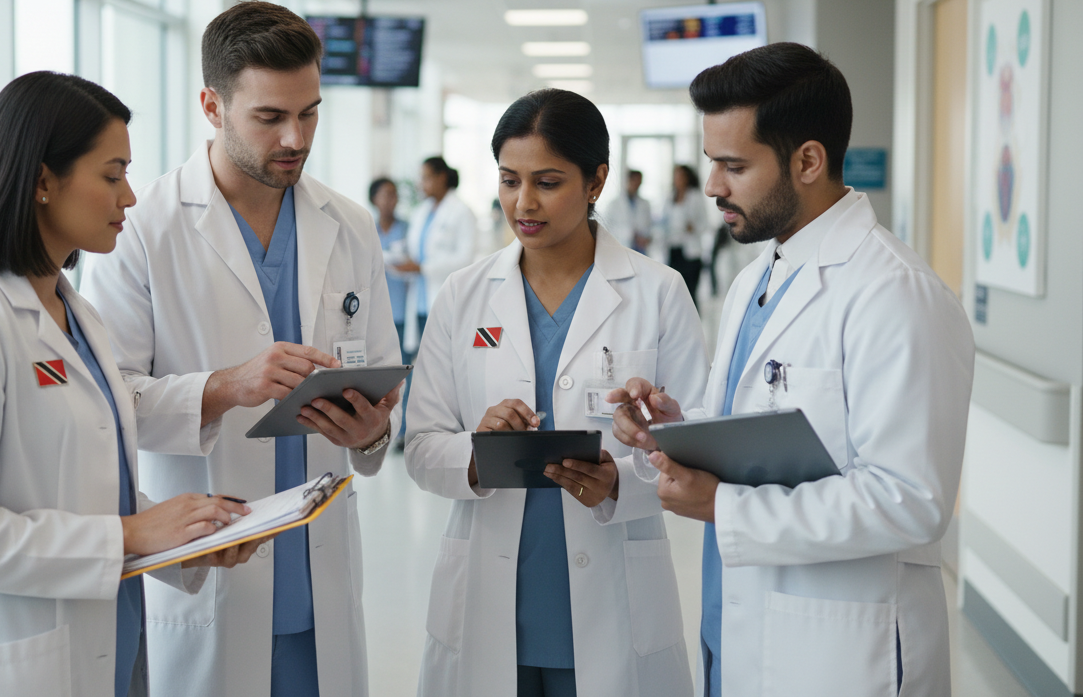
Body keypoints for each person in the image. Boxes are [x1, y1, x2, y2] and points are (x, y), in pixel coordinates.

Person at [609, 43, 974, 697]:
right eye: (711, 162)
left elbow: (910, 500)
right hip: (741, 630)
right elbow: (764, 428)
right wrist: (676, 429)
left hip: (838, 652)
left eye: (734, 166)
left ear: (808, 160)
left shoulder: (895, 293)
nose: (713, 185)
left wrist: (725, 507)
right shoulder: (758, 275)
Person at [0, 72, 262, 697]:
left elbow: (83, 487)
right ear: (42, 181)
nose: (130, 197)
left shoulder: (75, 314)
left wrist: (181, 535)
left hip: (97, 643)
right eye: (112, 176)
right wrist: (131, 534)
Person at [81, 1, 401, 697]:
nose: (295, 137)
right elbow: (107, 404)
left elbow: (381, 393)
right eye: (270, 117)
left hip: (317, 581)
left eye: (309, 113)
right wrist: (227, 386)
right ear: (212, 106)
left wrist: (373, 435)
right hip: (209, 573)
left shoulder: (348, 226)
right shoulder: (143, 228)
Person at [405, 88, 708, 697]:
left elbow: (698, 438)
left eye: (547, 182)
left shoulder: (657, 291)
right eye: (509, 180)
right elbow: (421, 446)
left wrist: (622, 481)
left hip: (614, 596)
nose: (524, 202)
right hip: (490, 594)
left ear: (596, 181)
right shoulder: (464, 295)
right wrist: (478, 449)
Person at [398, 156, 477, 346]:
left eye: (426, 178)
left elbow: (466, 259)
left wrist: (422, 268)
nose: (421, 184)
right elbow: (414, 249)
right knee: (422, 354)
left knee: (443, 354)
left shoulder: (462, 211)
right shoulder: (421, 212)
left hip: (445, 297)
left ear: (441, 177)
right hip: (420, 300)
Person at [370, 177, 411, 363]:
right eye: (387, 195)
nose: (392, 200)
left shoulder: (407, 229)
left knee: (404, 362)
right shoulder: (368, 230)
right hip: (376, 314)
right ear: (374, 199)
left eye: (394, 195)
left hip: (402, 309)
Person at [664, 164, 710, 307]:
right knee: (675, 292)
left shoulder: (695, 196)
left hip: (691, 252)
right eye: (676, 176)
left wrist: (694, 227)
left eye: (681, 176)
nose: (678, 179)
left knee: (690, 292)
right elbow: (664, 222)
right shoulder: (670, 197)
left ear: (688, 178)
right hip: (674, 250)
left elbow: (705, 223)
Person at [601, 169, 652, 253]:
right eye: (634, 180)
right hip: (622, 246)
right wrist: (631, 234)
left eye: (639, 181)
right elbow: (607, 228)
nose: (636, 184)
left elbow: (650, 226)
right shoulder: (614, 204)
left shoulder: (645, 204)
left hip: (641, 249)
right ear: (627, 181)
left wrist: (646, 237)